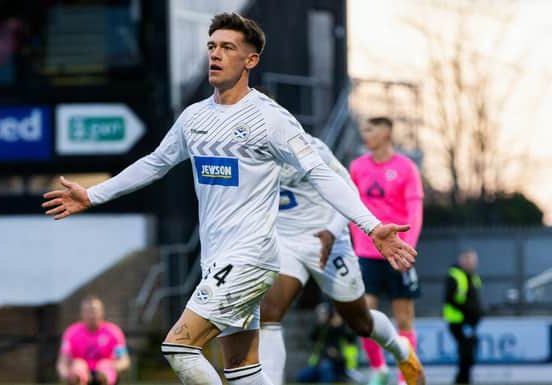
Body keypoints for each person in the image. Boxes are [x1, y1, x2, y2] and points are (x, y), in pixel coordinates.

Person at [43, 13, 419, 385]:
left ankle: (400, 351)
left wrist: (369, 227)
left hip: (258, 254)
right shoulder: (194, 118)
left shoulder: (272, 121)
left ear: (250, 60)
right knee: (242, 370)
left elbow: (324, 175)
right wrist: (93, 194)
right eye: (211, 46)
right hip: (225, 255)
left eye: (227, 47)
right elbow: (155, 163)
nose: (215, 54)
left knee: (180, 347)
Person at [259, 134, 425, 385]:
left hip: (328, 239)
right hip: (287, 241)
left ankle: (402, 352)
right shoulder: (245, 152)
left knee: (360, 321)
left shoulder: (307, 146)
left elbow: (348, 188)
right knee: (269, 313)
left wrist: (332, 232)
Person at [349, 116, 424, 385]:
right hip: (366, 253)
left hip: (398, 252)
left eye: (370, 129)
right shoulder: (357, 167)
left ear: (387, 132)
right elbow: (348, 206)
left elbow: (415, 211)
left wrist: (408, 246)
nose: (365, 134)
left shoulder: (406, 168)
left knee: (404, 318)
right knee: (364, 316)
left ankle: (406, 374)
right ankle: (378, 368)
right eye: (364, 129)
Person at [57, 296, 130, 385]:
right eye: (88, 311)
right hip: (80, 373)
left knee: (104, 366)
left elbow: (124, 361)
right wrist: (66, 374)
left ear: (102, 312)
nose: (91, 315)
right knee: (78, 365)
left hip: (105, 375)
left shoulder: (114, 332)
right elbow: (63, 362)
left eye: (94, 311)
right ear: (81, 313)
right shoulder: (71, 333)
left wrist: (112, 366)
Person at [444, 249, 483, 384]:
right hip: (458, 322)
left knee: (469, 354)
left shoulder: (473, 276)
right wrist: (469, 311)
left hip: (469, 322)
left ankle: (463, 379)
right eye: (468, 260)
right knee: (466, 354)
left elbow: (475, 299)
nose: (471, 263)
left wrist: (478, 312)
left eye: (473, 260)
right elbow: (450, 299)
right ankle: (461, 380)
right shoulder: (455, 275)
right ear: (462, 260)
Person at [294, 303, 359, 383]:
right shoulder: (324, 328)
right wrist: (320, 323)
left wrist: (336, 354)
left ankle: (336, 378)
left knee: (325, 367)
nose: (335, 317)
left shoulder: (344, 329)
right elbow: (312, 337)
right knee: (301, 376)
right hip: (319, 363)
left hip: (339, 365)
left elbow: (351, 339)